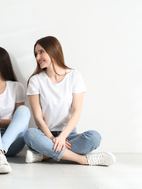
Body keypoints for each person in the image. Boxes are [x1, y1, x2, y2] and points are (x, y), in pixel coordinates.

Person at [24, 36, 116, 166]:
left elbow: (76, 112)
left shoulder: (74, 76)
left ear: (53, 51)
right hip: (45, 135)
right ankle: (83, 159)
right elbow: (38, 118)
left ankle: (44, 155)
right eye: (36, 54)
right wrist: (52, 139)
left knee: (94, 137)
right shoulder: (35, 80)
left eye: (41, 52)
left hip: (68, 135)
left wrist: (62, 138)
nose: (37, 57)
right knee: (29, 134)